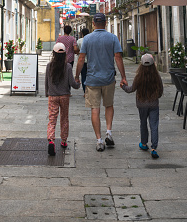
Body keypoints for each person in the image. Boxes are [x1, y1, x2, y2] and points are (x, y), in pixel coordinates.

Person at [75, 13, 127, 152]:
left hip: (92, 79)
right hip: (108, 78)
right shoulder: (112, 38)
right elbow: (118, 57)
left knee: (95, 108)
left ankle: (99, 140)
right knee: (109, 105)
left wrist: (76, 76)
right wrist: (123, 76)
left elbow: (81, 59)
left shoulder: (87, 39)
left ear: (93, 23)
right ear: (105, 23)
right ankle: (108, 132)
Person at [121, 53, 163, 159]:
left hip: (142, 105)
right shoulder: (157, 76)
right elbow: (161, 91)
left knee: (143, 124)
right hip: (154, 104)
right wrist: (155, 97)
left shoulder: (139, 77)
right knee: (154, 126)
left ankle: (144, 144)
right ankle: (154, 148)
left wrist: (123, 86)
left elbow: (131, 89)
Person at [45, 42, 80, 156]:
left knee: (52, 119)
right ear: (65, 54)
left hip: (53, 96)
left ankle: (51, 140)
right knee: (64, 118)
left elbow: (46, 81)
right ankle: (64, 141)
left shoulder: (49, 65)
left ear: (53, 54)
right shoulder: (68, 66)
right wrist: (78, 84)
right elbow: (72, 83)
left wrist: (47, 93)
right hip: (64, 96)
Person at [77, 28, 90, 93]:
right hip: (90, 61)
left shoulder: (79, 41)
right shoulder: (91, 40)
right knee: (90, 76)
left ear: (82, 34)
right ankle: (90, 90)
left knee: (83, 76)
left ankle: (85, 91)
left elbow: (76, 50)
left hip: (82, 61)